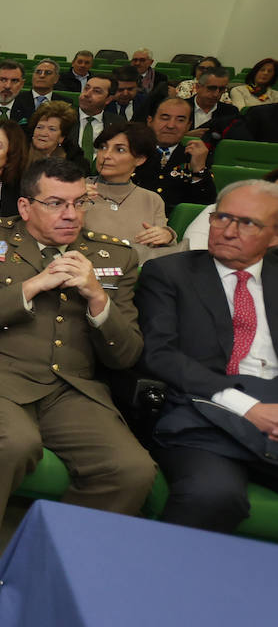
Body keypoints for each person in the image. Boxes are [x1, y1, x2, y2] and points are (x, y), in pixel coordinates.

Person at [0, 158, 157, 613]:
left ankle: (56, 552)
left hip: (73, 388)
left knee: (132, 469)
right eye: (56, 203)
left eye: (79, 203)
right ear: (25, 205)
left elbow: (126, 354)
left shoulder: (114, 256)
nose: (71, 215)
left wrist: (99, 299)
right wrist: (33, 286)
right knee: (13, 443)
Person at [138, 180, 278, 533]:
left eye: (247, 223)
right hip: (204, 415)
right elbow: (161, 354)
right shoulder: (170, 274)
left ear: (274, 236)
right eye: (222, 218)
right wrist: (248, 408)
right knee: (212, 495)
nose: (228, 231)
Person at [82, 123, 181, 263]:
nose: (106, 155)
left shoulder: (152, 199)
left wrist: (168, 235)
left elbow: (160, 249)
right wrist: (74, 202)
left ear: (140, 159)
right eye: (103, 147)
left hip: (134, 275)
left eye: (120, 150)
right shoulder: (75, 190)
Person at [134, 97, 215, 215]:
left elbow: (205, 206)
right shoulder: (133, 151)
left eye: (180, 120)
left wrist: (199, 170)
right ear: (150, 121)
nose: (171, 125)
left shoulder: (197, 155)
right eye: (165, 118)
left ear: (188, 126)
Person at [73, 75, 123, 172]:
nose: (87, 94)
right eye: (86, 88)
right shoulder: (64, 118)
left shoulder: (118, 123)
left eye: (96, 91)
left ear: (108, 99)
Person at [24, 101, 87, 173]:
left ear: (61, 138)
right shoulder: (19, 151)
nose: (43, 133)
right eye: (39, 127)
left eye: (52, 129)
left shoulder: (74, 160)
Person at [186, 61, 241, 139]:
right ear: (198, 87)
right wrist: (185, 137)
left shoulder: (231, 112)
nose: (216, 94)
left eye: (221, 89)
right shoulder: (179, 108)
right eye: (211, 88)